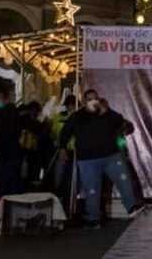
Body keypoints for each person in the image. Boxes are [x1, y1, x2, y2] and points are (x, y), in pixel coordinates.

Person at [58, 90, 145, 229]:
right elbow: (65, 132)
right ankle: (93, 219)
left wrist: (107, 111)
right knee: (92, 189)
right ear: (84, 102)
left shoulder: (106, 113)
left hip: (111, 156)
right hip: (87, 160)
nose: (93, 102)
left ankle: (131, 206)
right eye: (89, 99)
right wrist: (62, 148)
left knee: (123, 179)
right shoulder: (77, 116)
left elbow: (121, 122)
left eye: (95, 99)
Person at [0, 85, 23, 198]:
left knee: (7, 181)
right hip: (11, 151)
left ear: (1, 96)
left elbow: (5, 132)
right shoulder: (11, 111)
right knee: (12, 181)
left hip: (8, 151)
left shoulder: (7, 112)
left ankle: (6, 203)